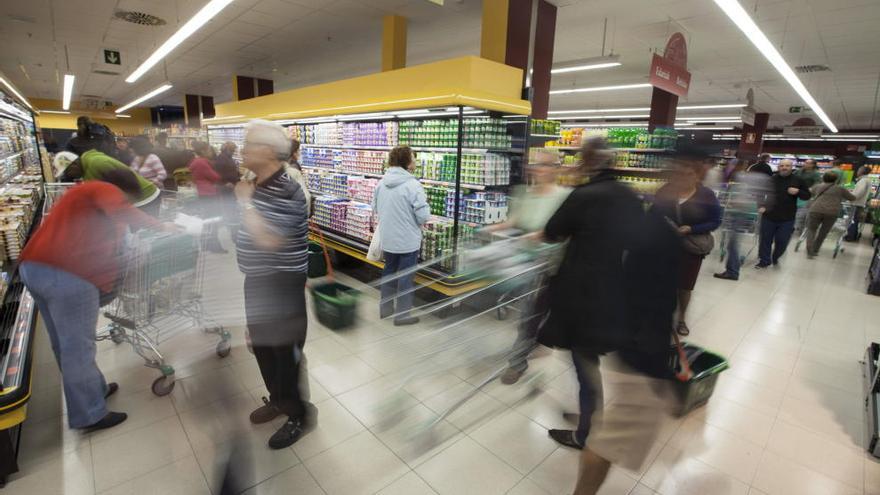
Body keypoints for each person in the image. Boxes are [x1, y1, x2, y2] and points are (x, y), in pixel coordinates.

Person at [538, 139, 681, 469]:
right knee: (590, 361)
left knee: (583, 362)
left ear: (587, 160)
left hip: (581, 296)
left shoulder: (584, 194)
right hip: (618, 292)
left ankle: (586, 430)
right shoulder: (630, 196)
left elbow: (552, 231)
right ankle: (588, 413)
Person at [19, 169, 174, 431]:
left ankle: (95, 391)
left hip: (35, 268)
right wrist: (163, 226)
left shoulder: (80, 195)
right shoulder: (102, 189)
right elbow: (122, 211)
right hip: (68, 275)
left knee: (64, 343)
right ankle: (89, 414)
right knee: (78, 348)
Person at [235, 119, 311, 450]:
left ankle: (299, 415)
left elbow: (268, 240)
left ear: (267, 151)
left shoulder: (290, 190)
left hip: (283, 285)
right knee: (263, 347)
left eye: (249, 143)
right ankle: (278, 399)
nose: (242, 149)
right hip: (258, 281)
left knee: (286, 353)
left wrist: (245, 204)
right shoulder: (256, 184)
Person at [491, 151, 570, 385]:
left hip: (550, 265)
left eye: (545, 165)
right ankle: (525, 351)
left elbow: (568, 230)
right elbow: (514, 221)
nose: (539, 169)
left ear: (556, 169)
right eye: (536, 165)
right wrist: (492, 228)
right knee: (531, 313)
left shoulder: (564, 197)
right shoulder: (524, 193)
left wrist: (544, 235)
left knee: (531, 314)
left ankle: (519, 360)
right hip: (524, 262)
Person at [650, 160, 721, 336]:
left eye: (688, 174)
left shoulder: (706, 195)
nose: (683, 178)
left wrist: (692, 228)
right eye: (679, 174)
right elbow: (652, 213)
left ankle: (681, 318)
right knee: (662, 283)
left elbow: (715, 221)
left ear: (697, 176)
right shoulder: (666, 191)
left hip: (691, 247)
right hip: (664, 245)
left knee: (685, 286)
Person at [373, 145, 430, 326]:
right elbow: (422, 215)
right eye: (413, 158)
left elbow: (375, 208)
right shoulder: (413, 185)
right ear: (406, 162)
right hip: (407, 240)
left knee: (389, 271)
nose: (414, 161)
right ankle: (402, 315)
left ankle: (385, 308)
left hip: (388, 238)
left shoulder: (381, 183)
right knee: (406, 277)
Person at [60, 146, 162, 216]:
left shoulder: (97, 162)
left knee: (145, 237)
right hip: (136, 200)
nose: (69, 175)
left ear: (73, 164)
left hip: (145, 197)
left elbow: (128, 180)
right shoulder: (86, 171)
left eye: (67, 171)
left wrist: (124, 206)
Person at [714, 163, 771, 281]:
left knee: (733, 244)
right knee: (733, 243)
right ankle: (732, 269)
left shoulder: (750, 179)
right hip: (747, 215)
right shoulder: (765, 182)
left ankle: (733, 272)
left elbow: (742, 198)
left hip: (740, 214)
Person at [756, 159, 811, 268]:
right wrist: (761, 205)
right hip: (769, 215)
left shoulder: (798, 180)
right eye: (781, 165)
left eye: (787, 165)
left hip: (787, 217)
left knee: (782, 241)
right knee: (765, 240)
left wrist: (798, 192)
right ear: (778, 167)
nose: (784, 168)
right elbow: (760, 192)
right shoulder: (771, 179)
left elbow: (807, 195)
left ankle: (776, 256)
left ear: (792, 167)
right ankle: (764, 260)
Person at [805, 171, 856, 258]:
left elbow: (810, 193)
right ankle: (815, 250)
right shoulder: (840, 189)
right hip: (831, 212)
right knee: (823, 232)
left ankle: (809, 250)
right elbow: (852, 198)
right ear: (836, 180)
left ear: (823, 178)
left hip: (815, 210)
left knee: (811, 230)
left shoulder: (817, 186)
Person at [189, 141, 226, 253]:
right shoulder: (202, 162)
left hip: (202, 193)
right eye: (209, 150)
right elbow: (215, 177)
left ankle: (206, 244)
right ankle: (214, 246)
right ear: (203, 151)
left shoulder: (195, 162)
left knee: (207, 220)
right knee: (213, 220)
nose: (211, 152)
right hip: (209, 194)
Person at [845, 165, 873, 242]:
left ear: (862, 172)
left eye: (859, 170)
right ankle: (854, 235)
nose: (857, 171)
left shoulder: (863, 181)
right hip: (860, 203)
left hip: (856, 203)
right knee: (855, 220)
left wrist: (851, 196)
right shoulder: (866, 180)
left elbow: (858, 193)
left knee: (852, 220)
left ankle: (850, 236)